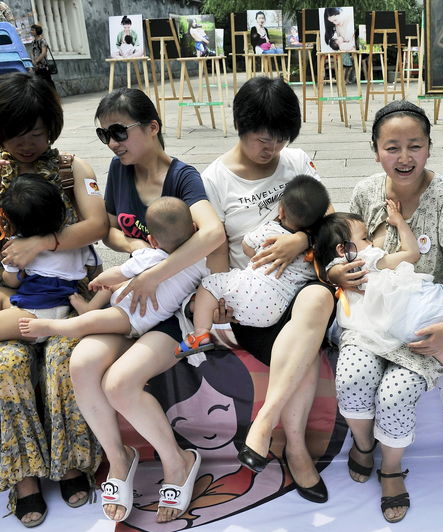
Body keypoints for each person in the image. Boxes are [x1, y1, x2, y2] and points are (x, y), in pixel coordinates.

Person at [67, 87, 224, 524]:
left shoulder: (184, 177)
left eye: (120, 130)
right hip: (134, 301)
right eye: (104, 135)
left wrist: (152, 272)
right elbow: (113, 232)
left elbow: (212, 235)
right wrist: (138, 250)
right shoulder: (120, 171)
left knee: (119, 383)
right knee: (82, 366)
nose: (114, 143)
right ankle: (120, 460)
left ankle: (178, 462)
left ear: (153, 127)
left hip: (172, 308)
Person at [326, 100, 443, 523]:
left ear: (429, 147)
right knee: (354, 374)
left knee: (396, 393)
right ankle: (362, 445)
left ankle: (392, 468)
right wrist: (340, 274)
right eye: (392, 147)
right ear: (376, 151)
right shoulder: (365, 192)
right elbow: (343, 251)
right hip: (369, 317)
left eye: (415, 146)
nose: (404, 157)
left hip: (421, 322)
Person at [201, 76, 334, 504]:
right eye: (263, 139)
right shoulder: (215, 181)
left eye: (279, 138)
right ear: (240, 127)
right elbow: (218, 253)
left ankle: (267, 425)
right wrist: (222, 304)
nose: (271, 149)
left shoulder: (296, 161)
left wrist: (303, 240)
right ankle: (295, 448)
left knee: (317, 297)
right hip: (255, 301)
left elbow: (331, 220)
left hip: (301, 287)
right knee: (305, 345)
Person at [0, 71, 109, 528]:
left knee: (63, 358)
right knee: (7, 365)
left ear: (52, 126)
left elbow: (97, 226)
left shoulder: (72, 168)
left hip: (69, 297)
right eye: (13, 135)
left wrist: (40, 243)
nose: (25, 144)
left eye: (36, 133)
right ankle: (24, 479)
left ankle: (71, 464)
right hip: (10, 296)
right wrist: (8, 304)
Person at [318, 210, 443, 432]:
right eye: (365, 238)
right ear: (344, 249)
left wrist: (333, 273)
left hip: (411, 329)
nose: (371, 241)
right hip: (421, 305)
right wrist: (400, 223)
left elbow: (328, 271)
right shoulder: (369, 258)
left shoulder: (337, 273)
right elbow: (412, 253)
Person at [20, 197, 209, 341]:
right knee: (103, 303)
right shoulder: (200, 263)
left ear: (151, 240)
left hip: (131, 317)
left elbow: (117, 272)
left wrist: (97, 280)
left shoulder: (149, 255)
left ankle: (52, 327)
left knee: (87, 323)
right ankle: (89, 308)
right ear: (194, 228)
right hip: (138, 311)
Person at [185, 175, 329, 355]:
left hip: (249, 293)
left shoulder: (270, 230)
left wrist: (259, 253)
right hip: (278, 312)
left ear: (281, 211)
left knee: (209, 284)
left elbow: (247, 247)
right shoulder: (313, 251)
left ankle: (200, 334)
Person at [0, 174, 95, 342]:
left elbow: (11, 282)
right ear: (60, 209)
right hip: (62, 308)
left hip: (35, 315)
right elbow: (95, 269)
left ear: (13, 222)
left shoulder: (18, 247)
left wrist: (11, 271)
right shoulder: (77, 240)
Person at [30, 24, 54, 89]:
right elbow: (31, 52)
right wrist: (33, 61)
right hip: (36, 66)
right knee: (38, 83)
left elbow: (43, 53)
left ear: (37, 31)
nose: (31, 31)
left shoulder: (42, 41)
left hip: (43, 65)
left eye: (33, 30)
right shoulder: (33, 42)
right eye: (31, 30)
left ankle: (53, 96)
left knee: (48, 82)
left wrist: (36, 61)